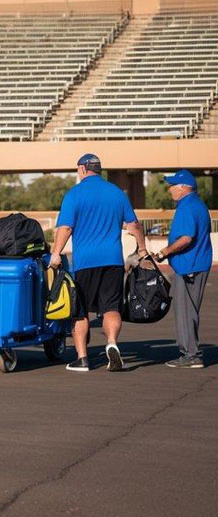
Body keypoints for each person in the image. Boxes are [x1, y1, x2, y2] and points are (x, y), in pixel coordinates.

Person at [50, 153, 147, 372]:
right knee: (111, 307)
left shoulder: (74, 194)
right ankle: (111, 342)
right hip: (112, 260)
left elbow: (65, 228)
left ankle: (82, 359)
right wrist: (142, 249)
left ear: (83, 169)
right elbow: (134, 226)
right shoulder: (116, 194)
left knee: (80, 311)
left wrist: (56, 254)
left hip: (85, 262)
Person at [154, 170, 212, 369]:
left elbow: (186, 238)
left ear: (184, 187)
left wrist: (164, 252)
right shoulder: (197, 204)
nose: (170, 189)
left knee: (185, 311)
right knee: (190, 310)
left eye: (173, 185)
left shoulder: (187, 207)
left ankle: (191, 355)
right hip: (196, 263)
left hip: (190, 266)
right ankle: (191, 352)